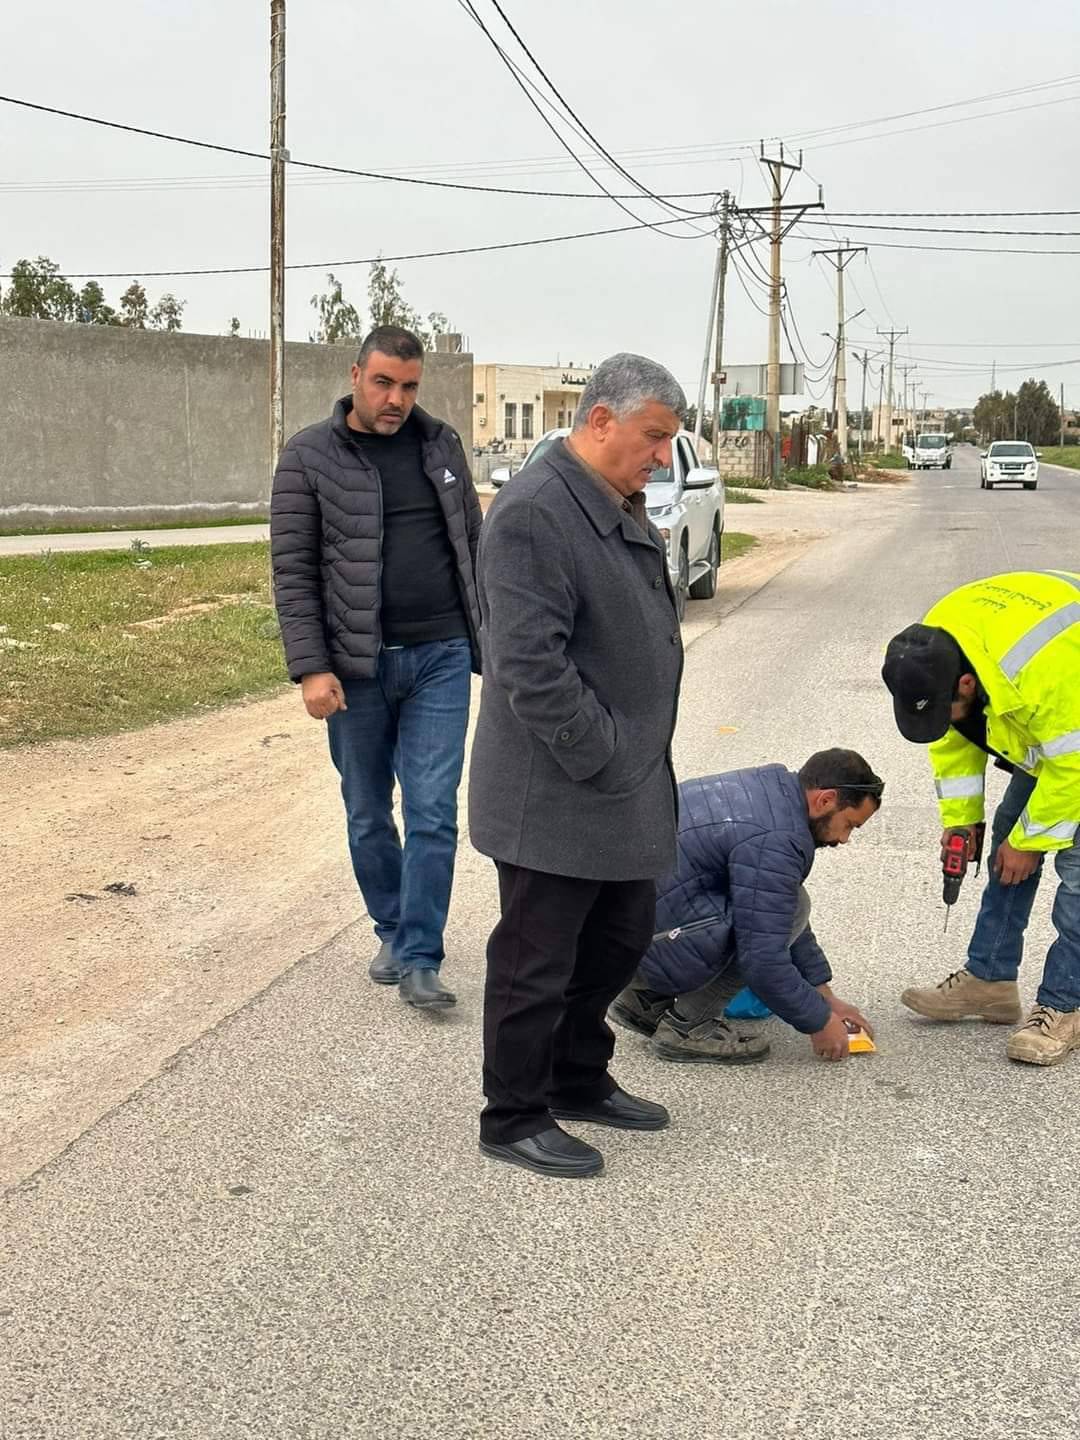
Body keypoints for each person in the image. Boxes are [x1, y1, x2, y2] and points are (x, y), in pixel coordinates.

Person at [469, 353, 688, 1180]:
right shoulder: (535, 514)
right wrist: (606, 754)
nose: (662, 455)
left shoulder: (614, 498)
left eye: (668, 440)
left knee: (617, 941)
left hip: (619, 786)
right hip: (554, 791)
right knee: (536, 962)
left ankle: (578, 1077)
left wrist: (630, 761)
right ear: (599, 421)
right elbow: (529, 667)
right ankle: (514, 1113)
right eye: (653, 437)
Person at [270, 325, 482, 1010]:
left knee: (432, 811)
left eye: (410, 386)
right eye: (384, 382)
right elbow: (294, 572)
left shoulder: (441, 446)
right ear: (356, 374)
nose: (397, 398)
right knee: (367, 811)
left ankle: (421, 954)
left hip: (442, 657)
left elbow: (473, 548)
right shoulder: (307, 457)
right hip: (355, 668)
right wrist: (311, 668)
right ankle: (391, 926)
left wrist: (495, 643)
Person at [882, 569, 1080, 1065]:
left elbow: (1074, 763)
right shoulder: (933, 647)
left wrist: (1031, 841)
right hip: (1058, 734)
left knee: (1075, 878)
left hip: (1071, 733)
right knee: (1004, 851)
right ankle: (990, 980)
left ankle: (1063, 1006)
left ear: (967, 682)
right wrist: (962, 820)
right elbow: (956, 737)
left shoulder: (1041, 672)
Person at [611, 751, 881, 1064]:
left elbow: (772, 904)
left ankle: (642, 1001)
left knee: (779, 902)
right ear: (825, 800)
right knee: (790, 909)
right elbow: (763, 959)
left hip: (623, 936)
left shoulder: (770, 791)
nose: (844, 839)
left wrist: (825, 997)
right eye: (848, 824)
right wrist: (818, 1022)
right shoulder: (778, 838)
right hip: (643, 942)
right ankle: (688, 1027)